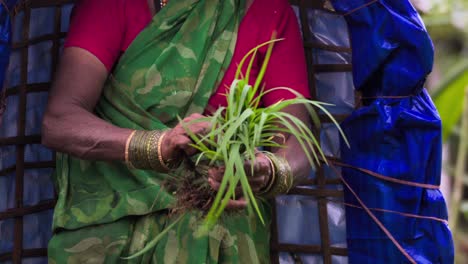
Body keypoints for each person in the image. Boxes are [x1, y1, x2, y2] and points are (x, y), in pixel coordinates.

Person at [42, 0, 312, 262]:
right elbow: (61, 121)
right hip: (110, 229)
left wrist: (266, 170)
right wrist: (156, 146)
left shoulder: (269, 12)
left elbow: (298, 144)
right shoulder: (111, 5)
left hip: (221, 233)